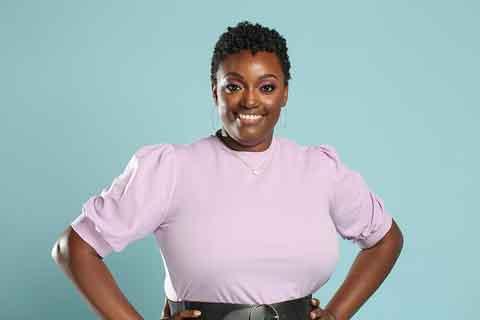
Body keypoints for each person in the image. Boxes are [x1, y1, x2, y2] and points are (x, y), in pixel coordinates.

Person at [51, 21, 403, 320]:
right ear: (214, 91)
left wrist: (335, 314)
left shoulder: (319, 170)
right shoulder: (171, 169)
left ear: (284, 94)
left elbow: (385, 239)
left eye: (267, 87)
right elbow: (74, 249)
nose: (250, 100)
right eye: (234, 86)